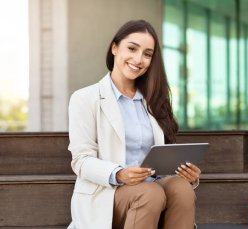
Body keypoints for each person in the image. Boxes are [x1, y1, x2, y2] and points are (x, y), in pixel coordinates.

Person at [67, 19, 201, 229]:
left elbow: (160, 163)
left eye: (147, 54)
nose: (139, 59)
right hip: (109, 195)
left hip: (153, 189)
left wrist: (186, 174)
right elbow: (81, 161)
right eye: (132, 48)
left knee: (182, 187)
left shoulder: (155, 100)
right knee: (149, 193)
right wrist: (119, 173)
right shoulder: (85, 98)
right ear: (114, 48)